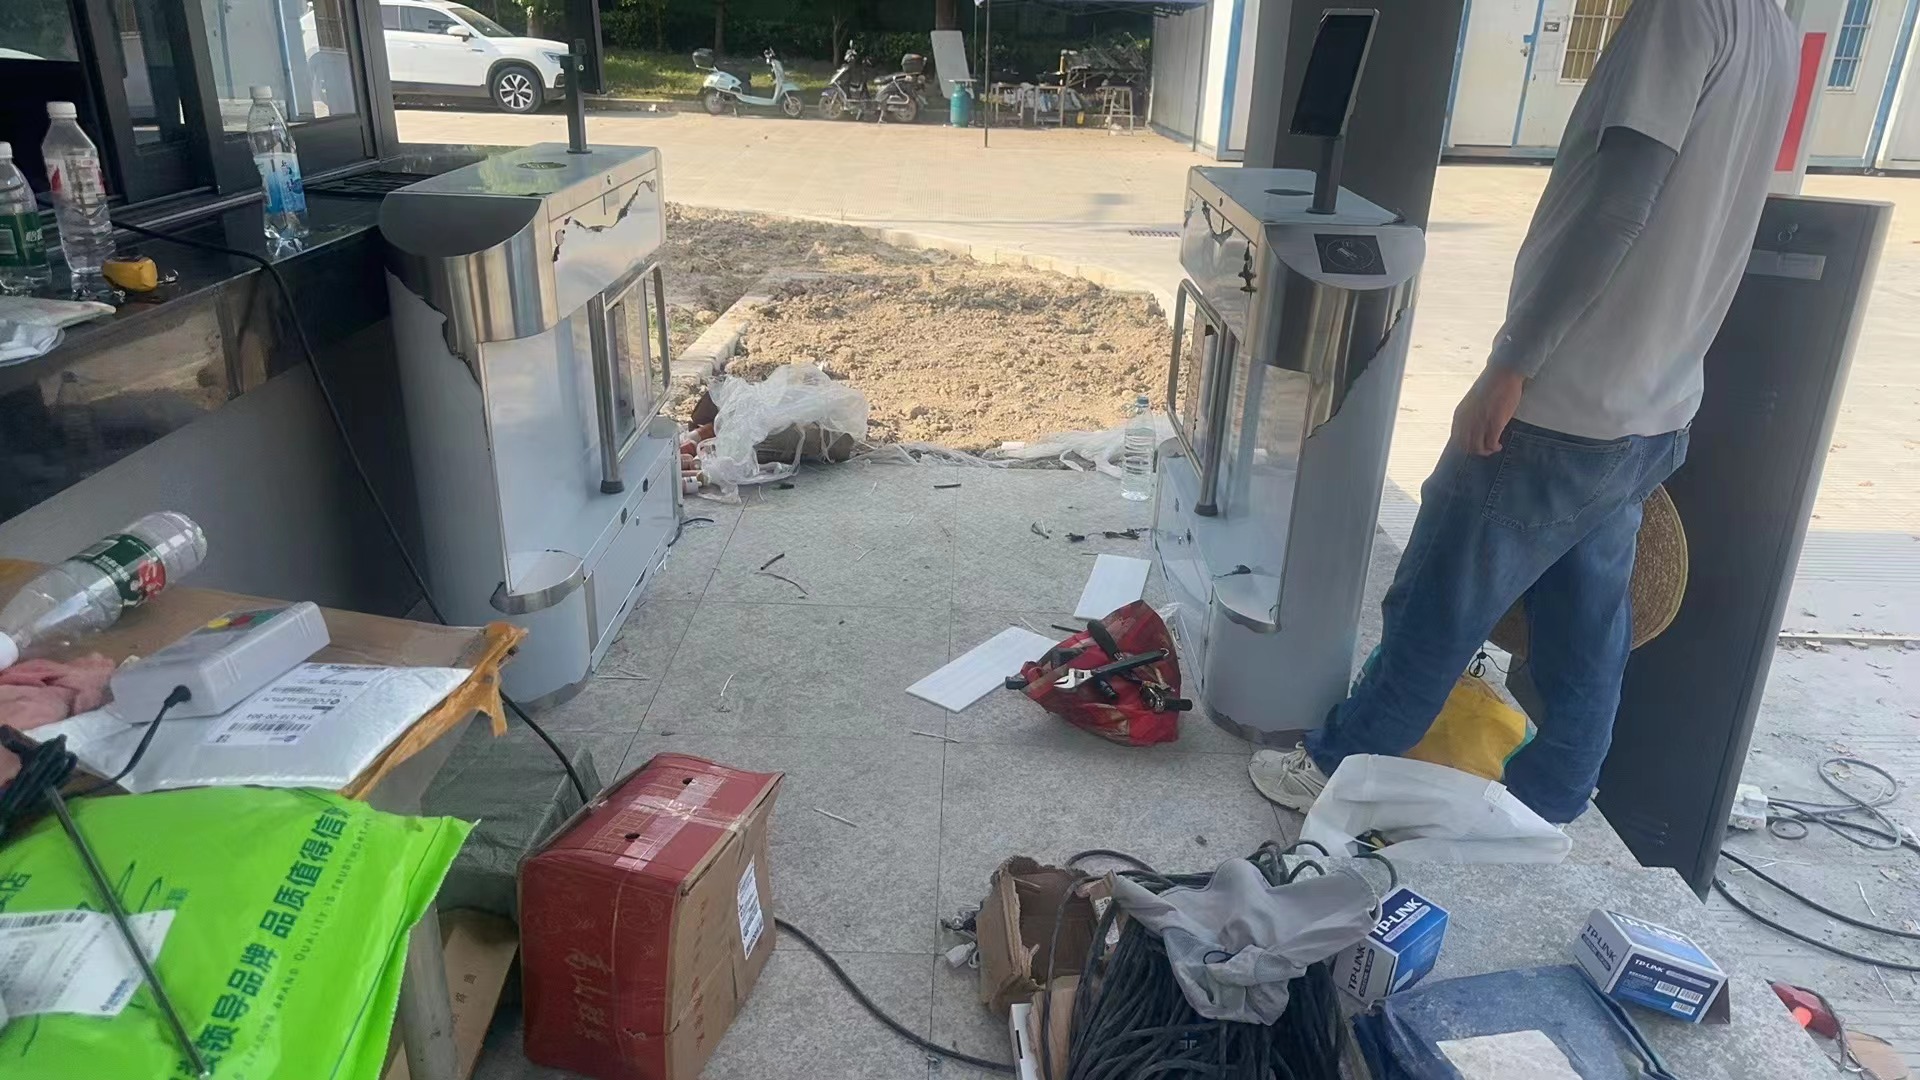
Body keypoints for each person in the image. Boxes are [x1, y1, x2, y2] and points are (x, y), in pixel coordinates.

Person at [1250, 0, 1797, 824]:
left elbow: (1617, 208)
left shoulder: (1683, 14)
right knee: (1587, 623)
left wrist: (1512, 363)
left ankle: (1338, 767)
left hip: (1565, 399)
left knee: (1439, 597)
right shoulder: (1772, 28)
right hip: (1655, 403)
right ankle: (1553, 796)